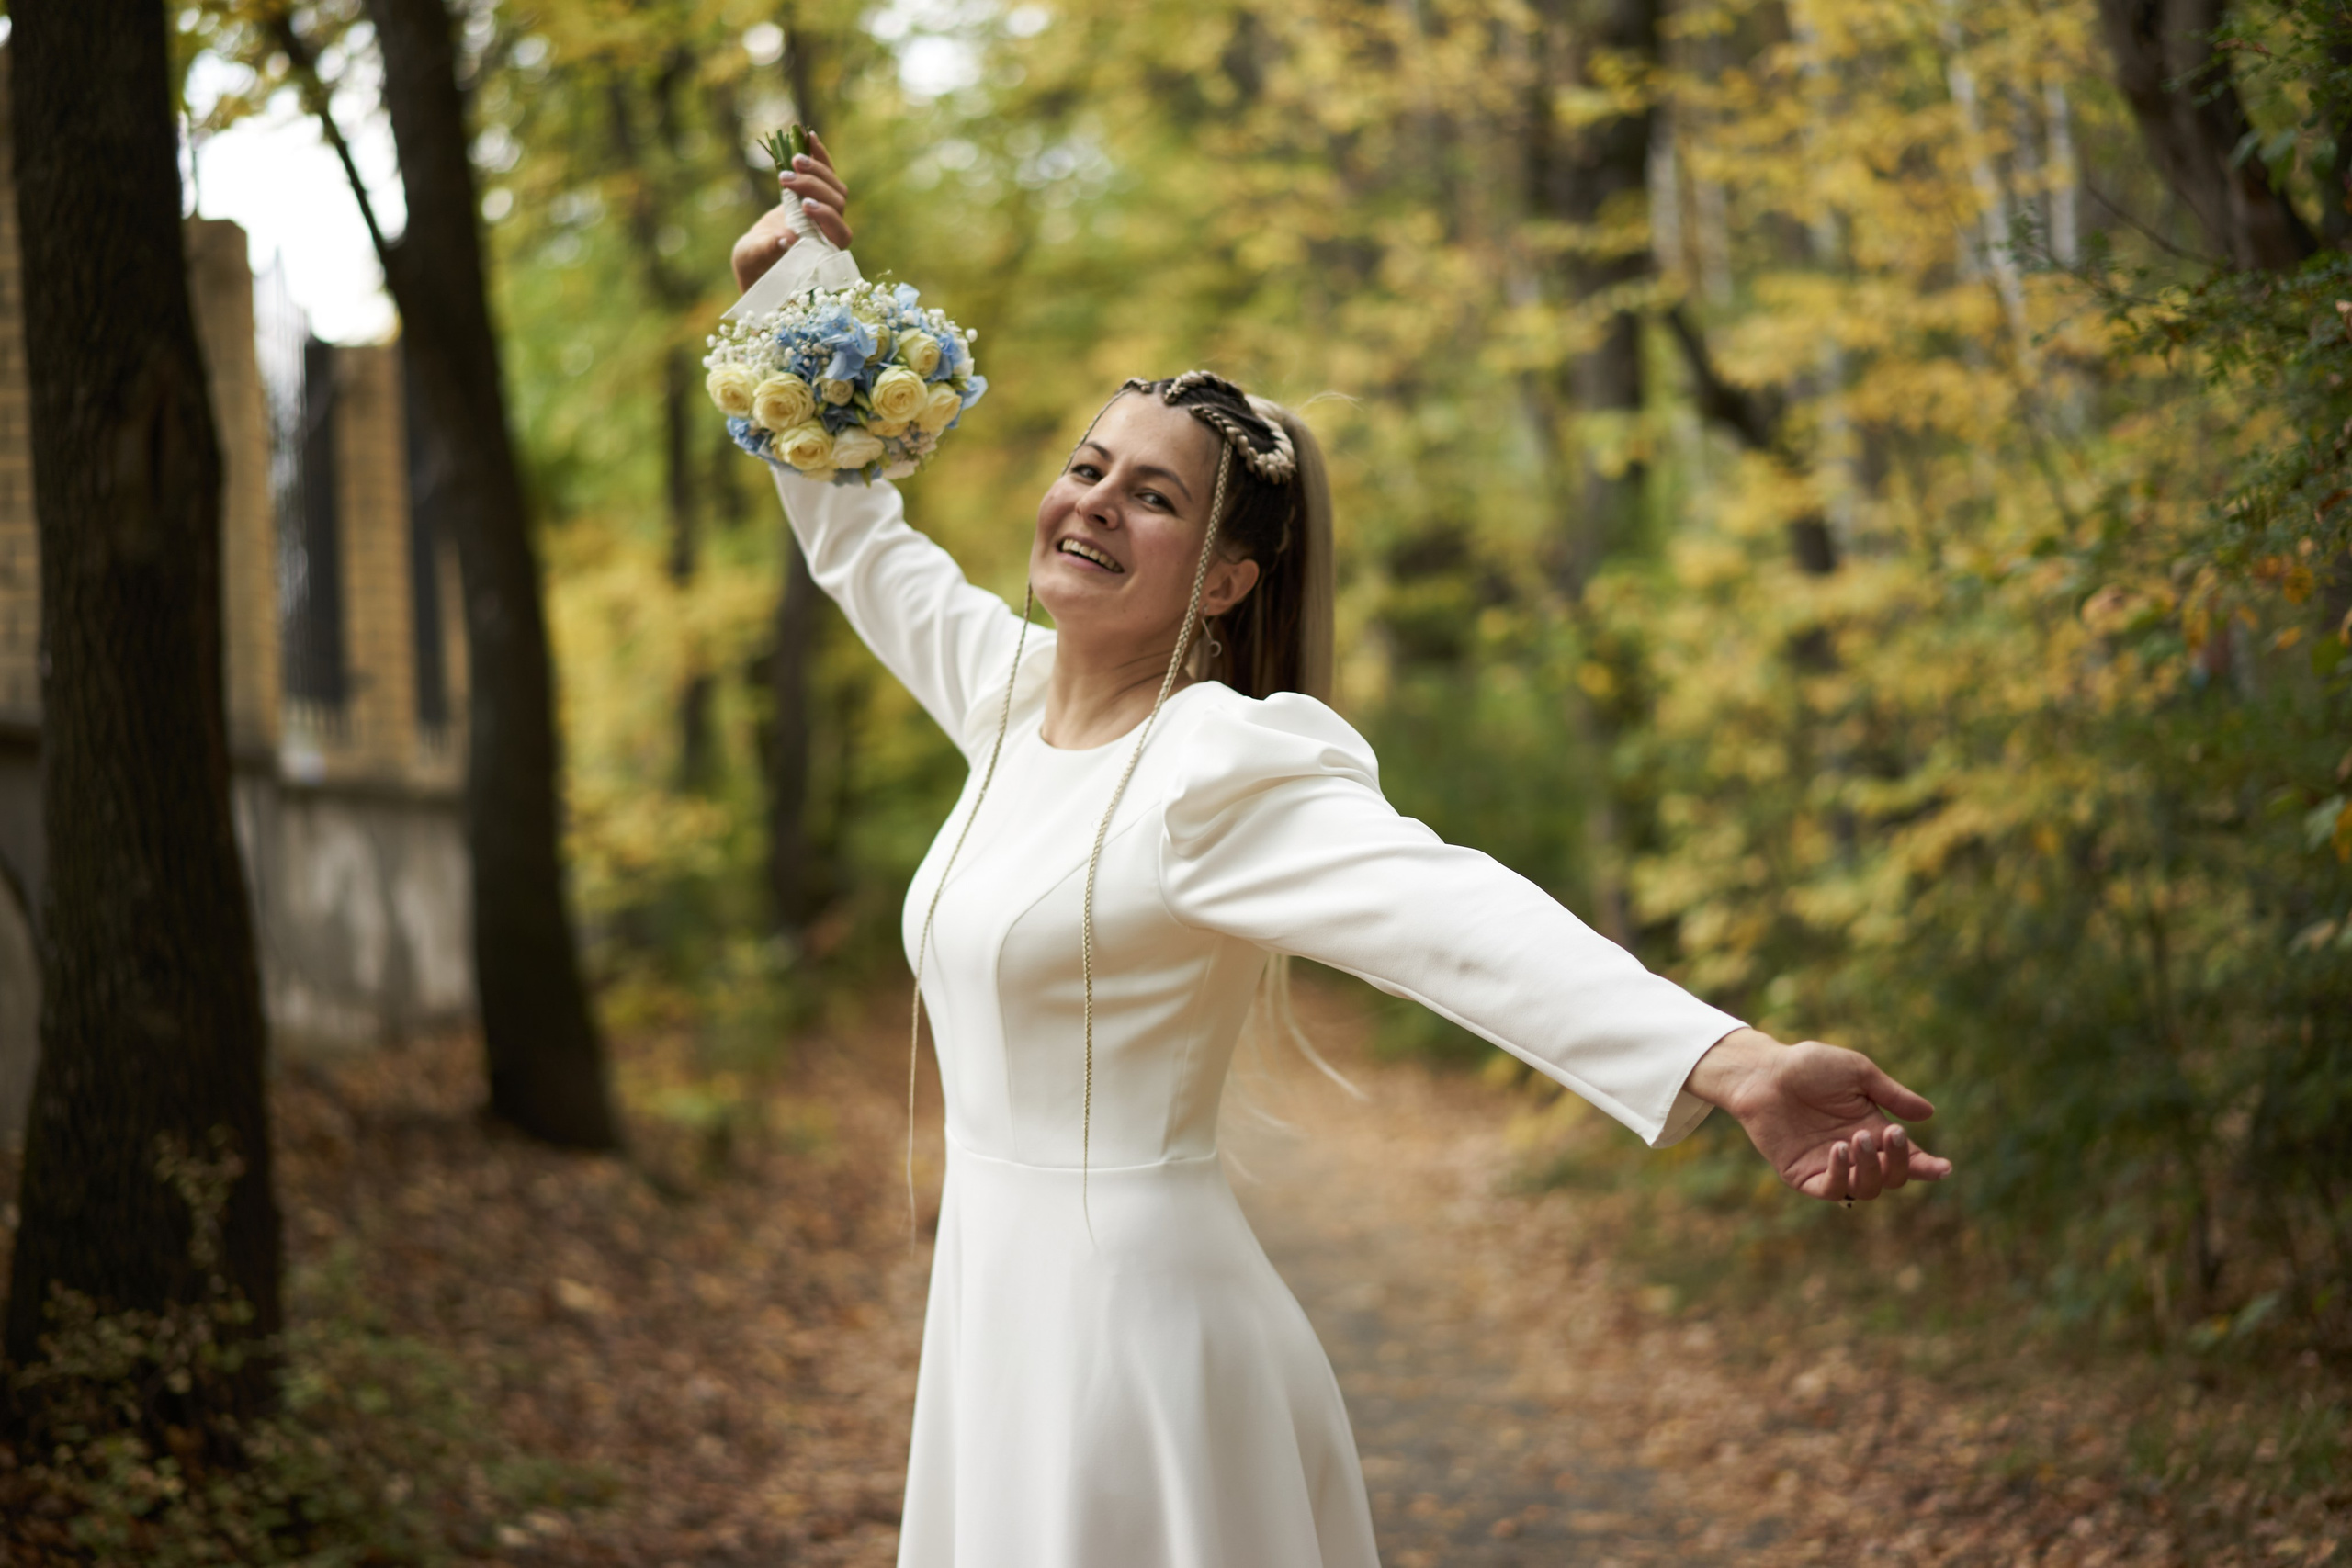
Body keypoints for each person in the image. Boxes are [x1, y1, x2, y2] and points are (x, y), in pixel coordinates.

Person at [736, 138, 1951, 1568]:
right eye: (1089, 468)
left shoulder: (1215, 763)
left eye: (1154, 498)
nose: (1093, 506)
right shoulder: (1001, 701)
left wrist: (1735, 1063)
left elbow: (1453, 916)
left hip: (1140, 1342)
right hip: (992, 1315)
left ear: (1229, 579)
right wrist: (788, 293)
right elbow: (856, 539)